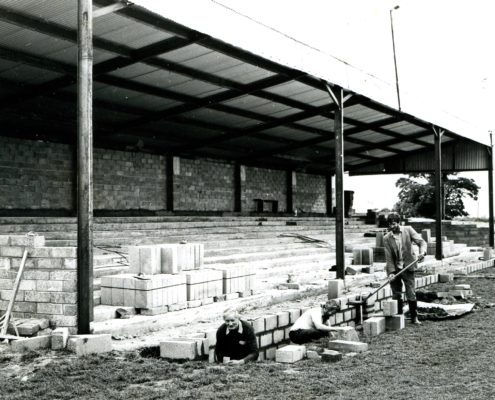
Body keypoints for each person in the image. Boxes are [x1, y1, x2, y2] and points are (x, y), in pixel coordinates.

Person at [384, 213, 427, 325]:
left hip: (408, 266)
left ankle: (414, 317)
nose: (392, 226)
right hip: (395, 268)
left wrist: (422, 252)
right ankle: (399, 317)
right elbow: (388, 257)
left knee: (410, 292)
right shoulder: (387, 238)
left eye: (393, 223)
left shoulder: (408, 230)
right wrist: (391, 273)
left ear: (399, 222)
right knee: (396, 293)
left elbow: (421, 242)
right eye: (390, 224)